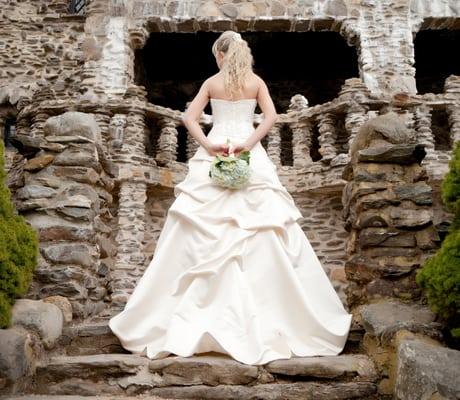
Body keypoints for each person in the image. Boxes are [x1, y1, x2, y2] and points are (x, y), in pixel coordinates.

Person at [108, 30, 353, 366]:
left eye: (217, 56)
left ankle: (187, 314)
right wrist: (248, 145)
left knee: (197, 224)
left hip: (219, 145)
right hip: (245, 149)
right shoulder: (255, 82)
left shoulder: (212, 82)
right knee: (264, 225)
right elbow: (270, 117)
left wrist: (209, 145)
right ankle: (272, 316)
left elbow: (188, 118)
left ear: (221, 55)